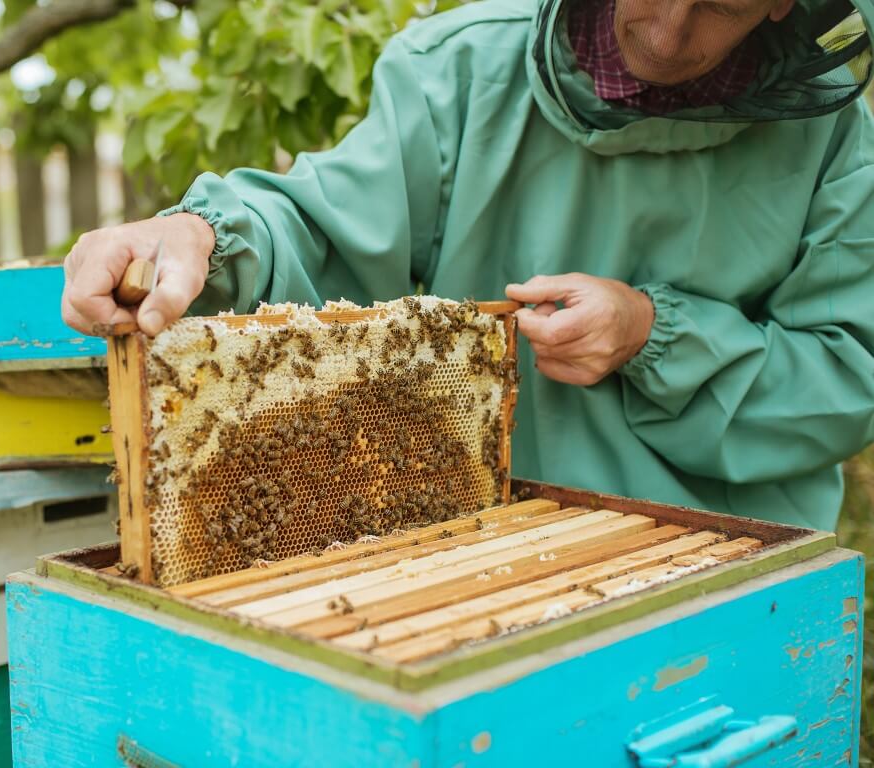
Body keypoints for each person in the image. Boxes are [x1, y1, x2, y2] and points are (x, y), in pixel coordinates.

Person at [62, 0, 874, 531]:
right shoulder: (458, 70)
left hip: (724, 567)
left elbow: (848, 379)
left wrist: (649, 333)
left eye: (721, 5)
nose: (666, 33)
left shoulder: (832, 138)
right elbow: (319, 224)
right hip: (483, 548)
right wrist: (205, 237)